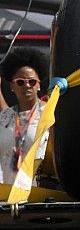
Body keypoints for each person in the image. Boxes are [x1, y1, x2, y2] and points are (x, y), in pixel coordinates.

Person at [0, 47, 49, 185]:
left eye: (32, 81)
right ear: (11, 86)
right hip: (6, 197)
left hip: (38, 197)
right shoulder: (4, 118)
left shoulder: (50, 115)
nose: (27, 85)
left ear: (39, 85)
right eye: (20, 82)